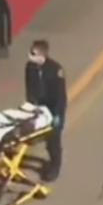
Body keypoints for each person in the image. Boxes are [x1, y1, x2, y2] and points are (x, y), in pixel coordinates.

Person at [24, 39, 67, 181]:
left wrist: (57, 115)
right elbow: (30, 88)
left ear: (42, 55)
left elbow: (60, 96)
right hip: (38, 106)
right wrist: (30, 105)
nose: (29, 55)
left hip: (53, 107)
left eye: (33, 53)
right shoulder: (30, 67)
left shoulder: (55, 70)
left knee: (53, 140)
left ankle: (55, 166)